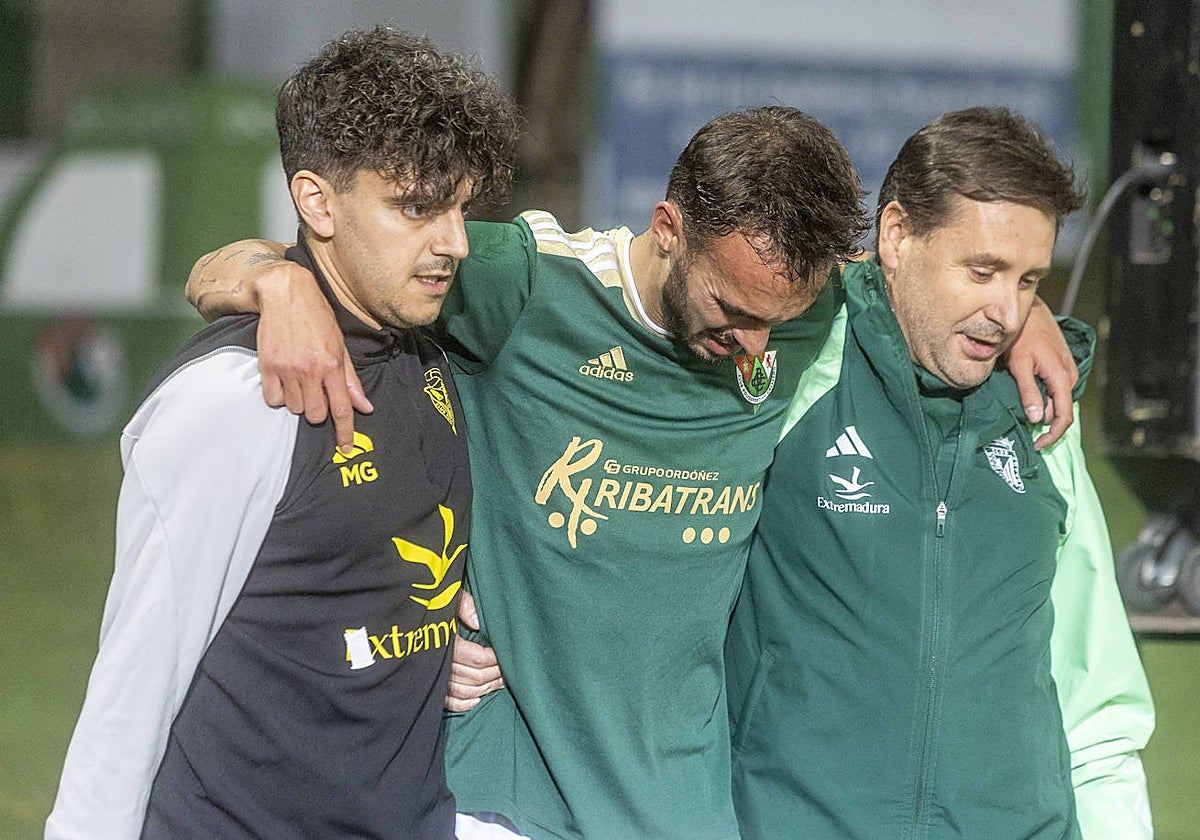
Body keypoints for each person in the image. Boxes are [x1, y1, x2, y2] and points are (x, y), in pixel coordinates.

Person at [184, 108, 1077, 839]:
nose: (754, 346)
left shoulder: (798, 309)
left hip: (686, 808)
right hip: (513, 807)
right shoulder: (532, 288)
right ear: (669, 230)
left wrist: (1022, 320)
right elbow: (284, 265)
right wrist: (278, 283)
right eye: (731, 308)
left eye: (780, 321)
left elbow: (931, 287)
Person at [45, 27, 519, 839]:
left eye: (460, 208)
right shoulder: (234, 401)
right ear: (317, 202)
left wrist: (423, 639)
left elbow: (339, 581)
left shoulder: (428, 355)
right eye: (416, 207)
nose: (455, 243)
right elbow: (132, 688)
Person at [725, 107, 1155, 839]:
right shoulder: (792, 359)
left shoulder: (1041, 411)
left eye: (1030, 280)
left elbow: (1098, 704)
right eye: (982, 271)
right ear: (896, 236)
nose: (1006, 312)